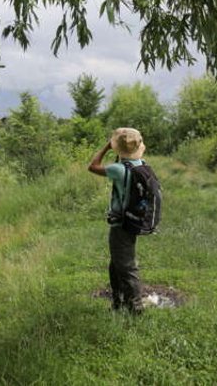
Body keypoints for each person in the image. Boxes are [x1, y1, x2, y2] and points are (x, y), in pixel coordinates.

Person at [88, 127, 146, 314]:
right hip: (132, 221)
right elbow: (138, 148)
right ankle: (118, 301)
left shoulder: (118, 169)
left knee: (127, 266)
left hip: (120, 224)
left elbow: (93, 166)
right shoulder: (140, 164)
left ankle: (135, 308)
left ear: (117, 148)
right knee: (117, 263)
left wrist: (107, 147)